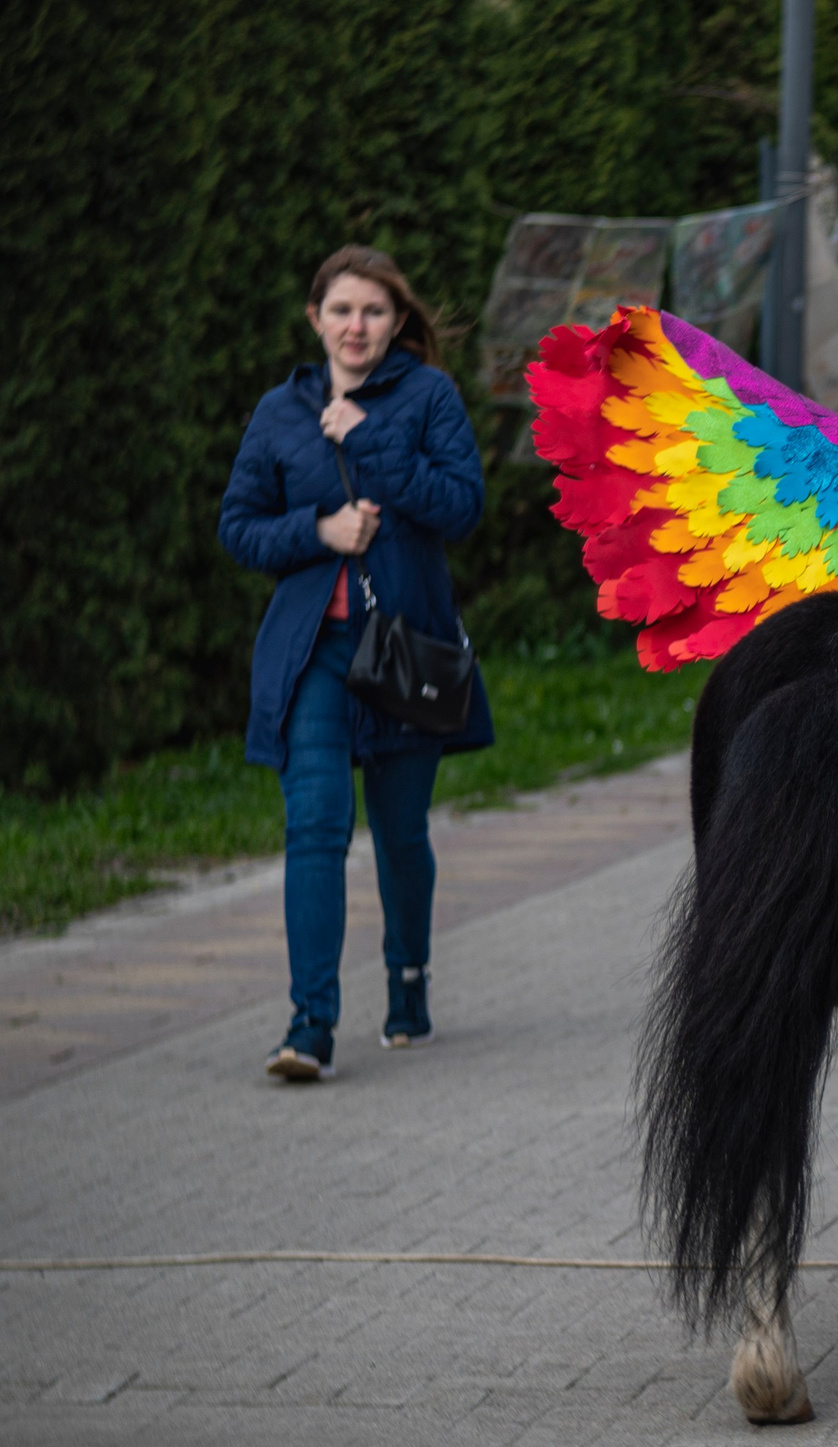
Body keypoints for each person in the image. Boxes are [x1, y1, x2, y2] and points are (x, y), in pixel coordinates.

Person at [220, 247, 490, 1081]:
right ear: (315, 318)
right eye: (341, 309)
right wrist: (319, 532)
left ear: (397, 321)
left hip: (405, 651)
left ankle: (408, 980)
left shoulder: (427, 396)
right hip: (314, 656)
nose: (356, 326)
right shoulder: (280, 411)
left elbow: (462, 505)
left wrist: (371, 442)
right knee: (315, 828)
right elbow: (239, 526)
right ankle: (310, 1025)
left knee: (401, 832)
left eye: (373, 311)